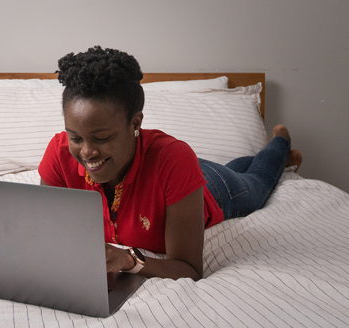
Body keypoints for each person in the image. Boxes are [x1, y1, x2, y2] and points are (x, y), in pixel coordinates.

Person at [38, 46, 303, 281]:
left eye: (102, 138)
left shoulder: (174, 159)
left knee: (257, 183)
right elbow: (44, 233)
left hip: (215, 188)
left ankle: (280, 143)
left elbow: (189, 268)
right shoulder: (59, 153)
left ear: (135, 124)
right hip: (181, 176)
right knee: (237, 167)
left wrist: (130, 261)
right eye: (75, 137)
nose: (87, 152)